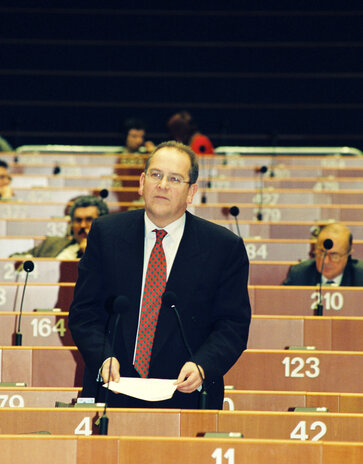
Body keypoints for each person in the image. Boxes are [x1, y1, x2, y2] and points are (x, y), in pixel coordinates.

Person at [69, 141, 251, 410]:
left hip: (186, 393)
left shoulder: (224, 247)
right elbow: (84, 312)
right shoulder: (106, 234)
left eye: (175, 179)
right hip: (112, 388)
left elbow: (233, 325)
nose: (163, 184)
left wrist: (203, 366)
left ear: (192, 192)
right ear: (142, 183)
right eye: (156, 175)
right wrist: (102, 357)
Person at [10, 195, 109, 259]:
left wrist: (91, 253)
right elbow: (13, 259)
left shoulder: (111, 252)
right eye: (78, 220)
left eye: (89, 220)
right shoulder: (51, 243)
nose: (82, 225)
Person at [283, 222, 363, 286]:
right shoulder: (299, 274)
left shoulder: (360, 276)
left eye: (334, 256)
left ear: (348, 255)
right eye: (321, 254)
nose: (325, 261)